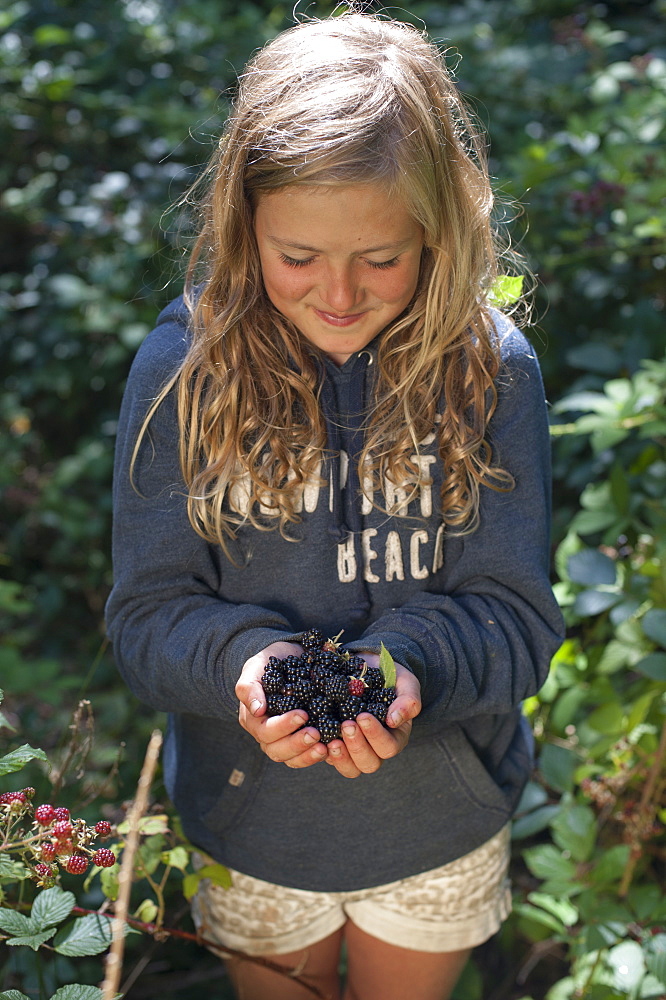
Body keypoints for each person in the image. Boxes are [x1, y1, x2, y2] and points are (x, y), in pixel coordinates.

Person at [105, 10, 565, 1000]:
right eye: (298, 255)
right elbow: (146, 616)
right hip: (253, 819)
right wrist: (245, 659)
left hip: (436, 823)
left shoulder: (490, 371)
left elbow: (519, 619)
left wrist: (414, 670)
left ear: (440, 230)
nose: (341, 294)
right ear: (244, 222)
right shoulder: (184, 370)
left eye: (382, 258)